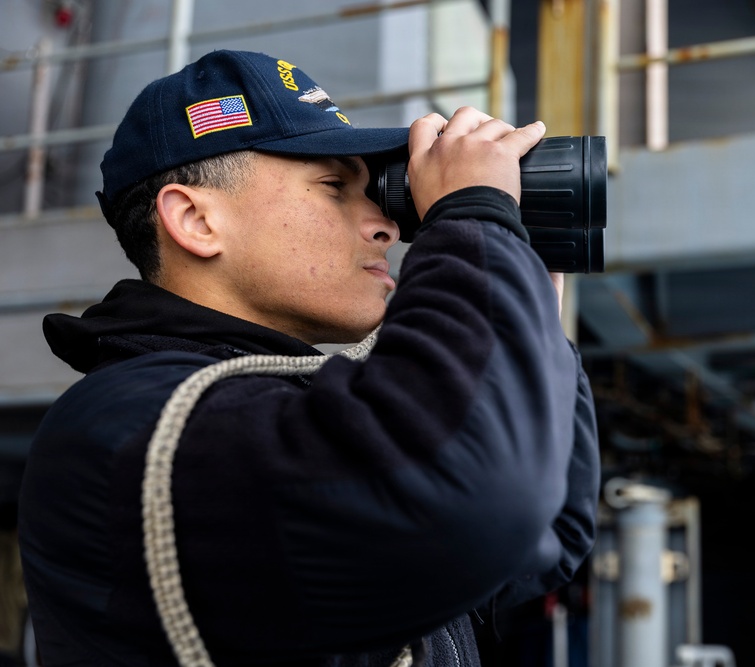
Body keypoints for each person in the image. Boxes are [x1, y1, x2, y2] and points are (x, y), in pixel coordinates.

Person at [17, 49, 599, 667]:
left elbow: (539, 538)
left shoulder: (279, 407)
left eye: (374, 191)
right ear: (195, 219)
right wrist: (475, 217)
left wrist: (518, 305)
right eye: (334, 187)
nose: (389, 227)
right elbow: (478, 498)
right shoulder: (131, 422)